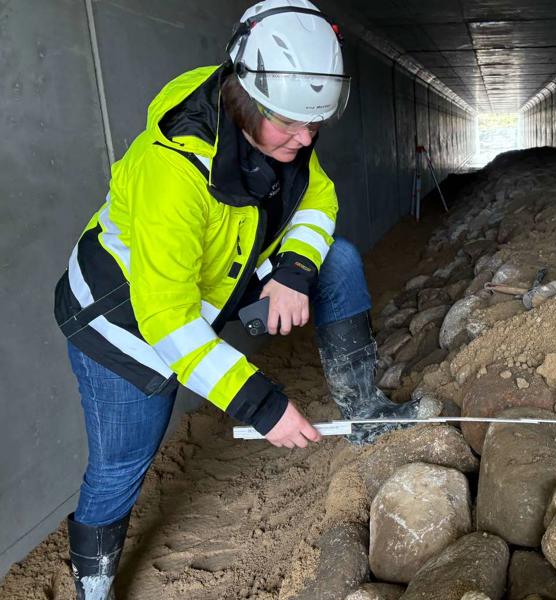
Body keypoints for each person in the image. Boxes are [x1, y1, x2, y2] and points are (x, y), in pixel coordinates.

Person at [52, 2, 429, 597]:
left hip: (215, 291)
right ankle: (92, 586)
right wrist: (262, 404)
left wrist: (296, 272)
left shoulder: (282, 131)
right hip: (124, 326)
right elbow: (168, 322)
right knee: (122, 464)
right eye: (290, 125)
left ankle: (366, 413)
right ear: (246, 99)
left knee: (340, 260)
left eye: (315, 125)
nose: (306, 139)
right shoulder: (171, 174)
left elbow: (319, 198)